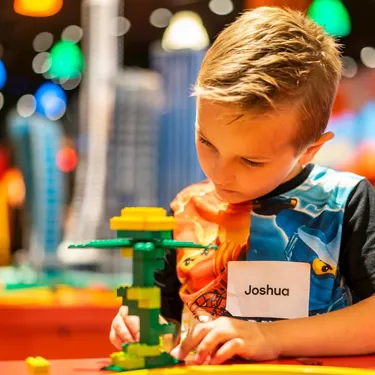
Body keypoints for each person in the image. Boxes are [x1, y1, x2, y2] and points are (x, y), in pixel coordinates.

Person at [109, 6, 375, 365]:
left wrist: (270, 337)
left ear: (309, 150)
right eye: (206, 142)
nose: (221, 173)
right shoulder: (186, 211)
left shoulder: (346, 202)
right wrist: (142, 326)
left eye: (251, 161)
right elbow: (167, 321)